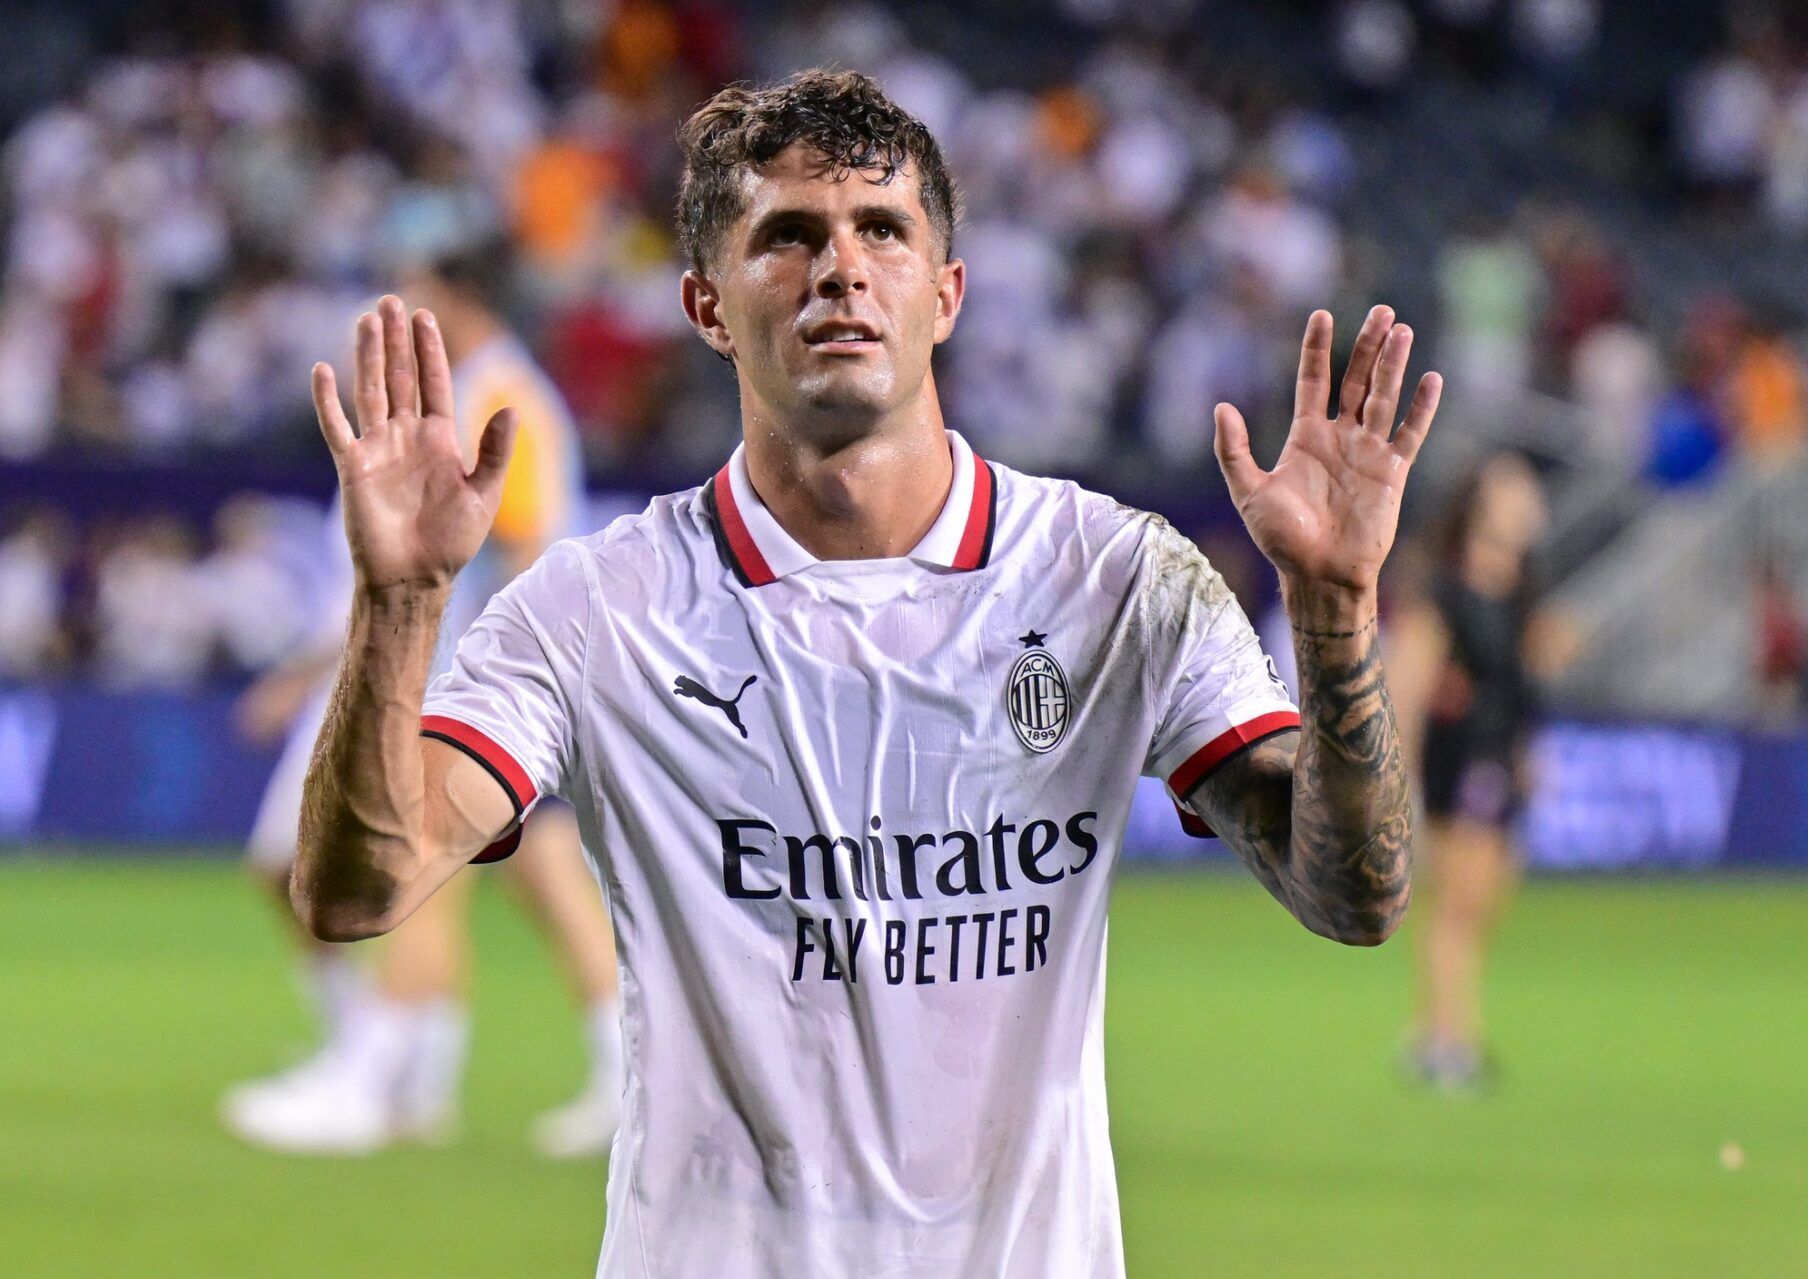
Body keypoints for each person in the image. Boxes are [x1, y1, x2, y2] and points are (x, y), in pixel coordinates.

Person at [292, 71, 1436, 1276]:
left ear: (945, 294)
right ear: (707, 306)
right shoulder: (597, 610)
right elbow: (356, 892)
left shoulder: (1115, 582)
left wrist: (1335, 607)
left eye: (881, 230)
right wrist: (402, 603)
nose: (841, 266)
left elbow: (1353, 897)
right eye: (787, 236)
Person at [221, 240, 621, 1157]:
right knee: (533, 880)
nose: (405, 305)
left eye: (425, 293)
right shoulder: (479, 386)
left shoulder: (500, 397)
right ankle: (446, 1070)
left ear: (467, 300)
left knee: (418, 875)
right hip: (437, 662)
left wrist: (494, 667)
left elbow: (523, 542)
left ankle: (374, 1078)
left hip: (455, 672)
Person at [1388, 451, 1557, 1092]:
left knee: (1485, 900)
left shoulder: (1521, 588)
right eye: (1515, 493)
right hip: (1460, 761)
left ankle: (1439, 1027)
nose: (1529, 505)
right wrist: (1402, 776)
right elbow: (1409, 684)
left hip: (1499, 761)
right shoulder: (1446, 590)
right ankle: (1448, 1037)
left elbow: (1518, 689)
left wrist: (1526, 755)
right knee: (1458, 899)